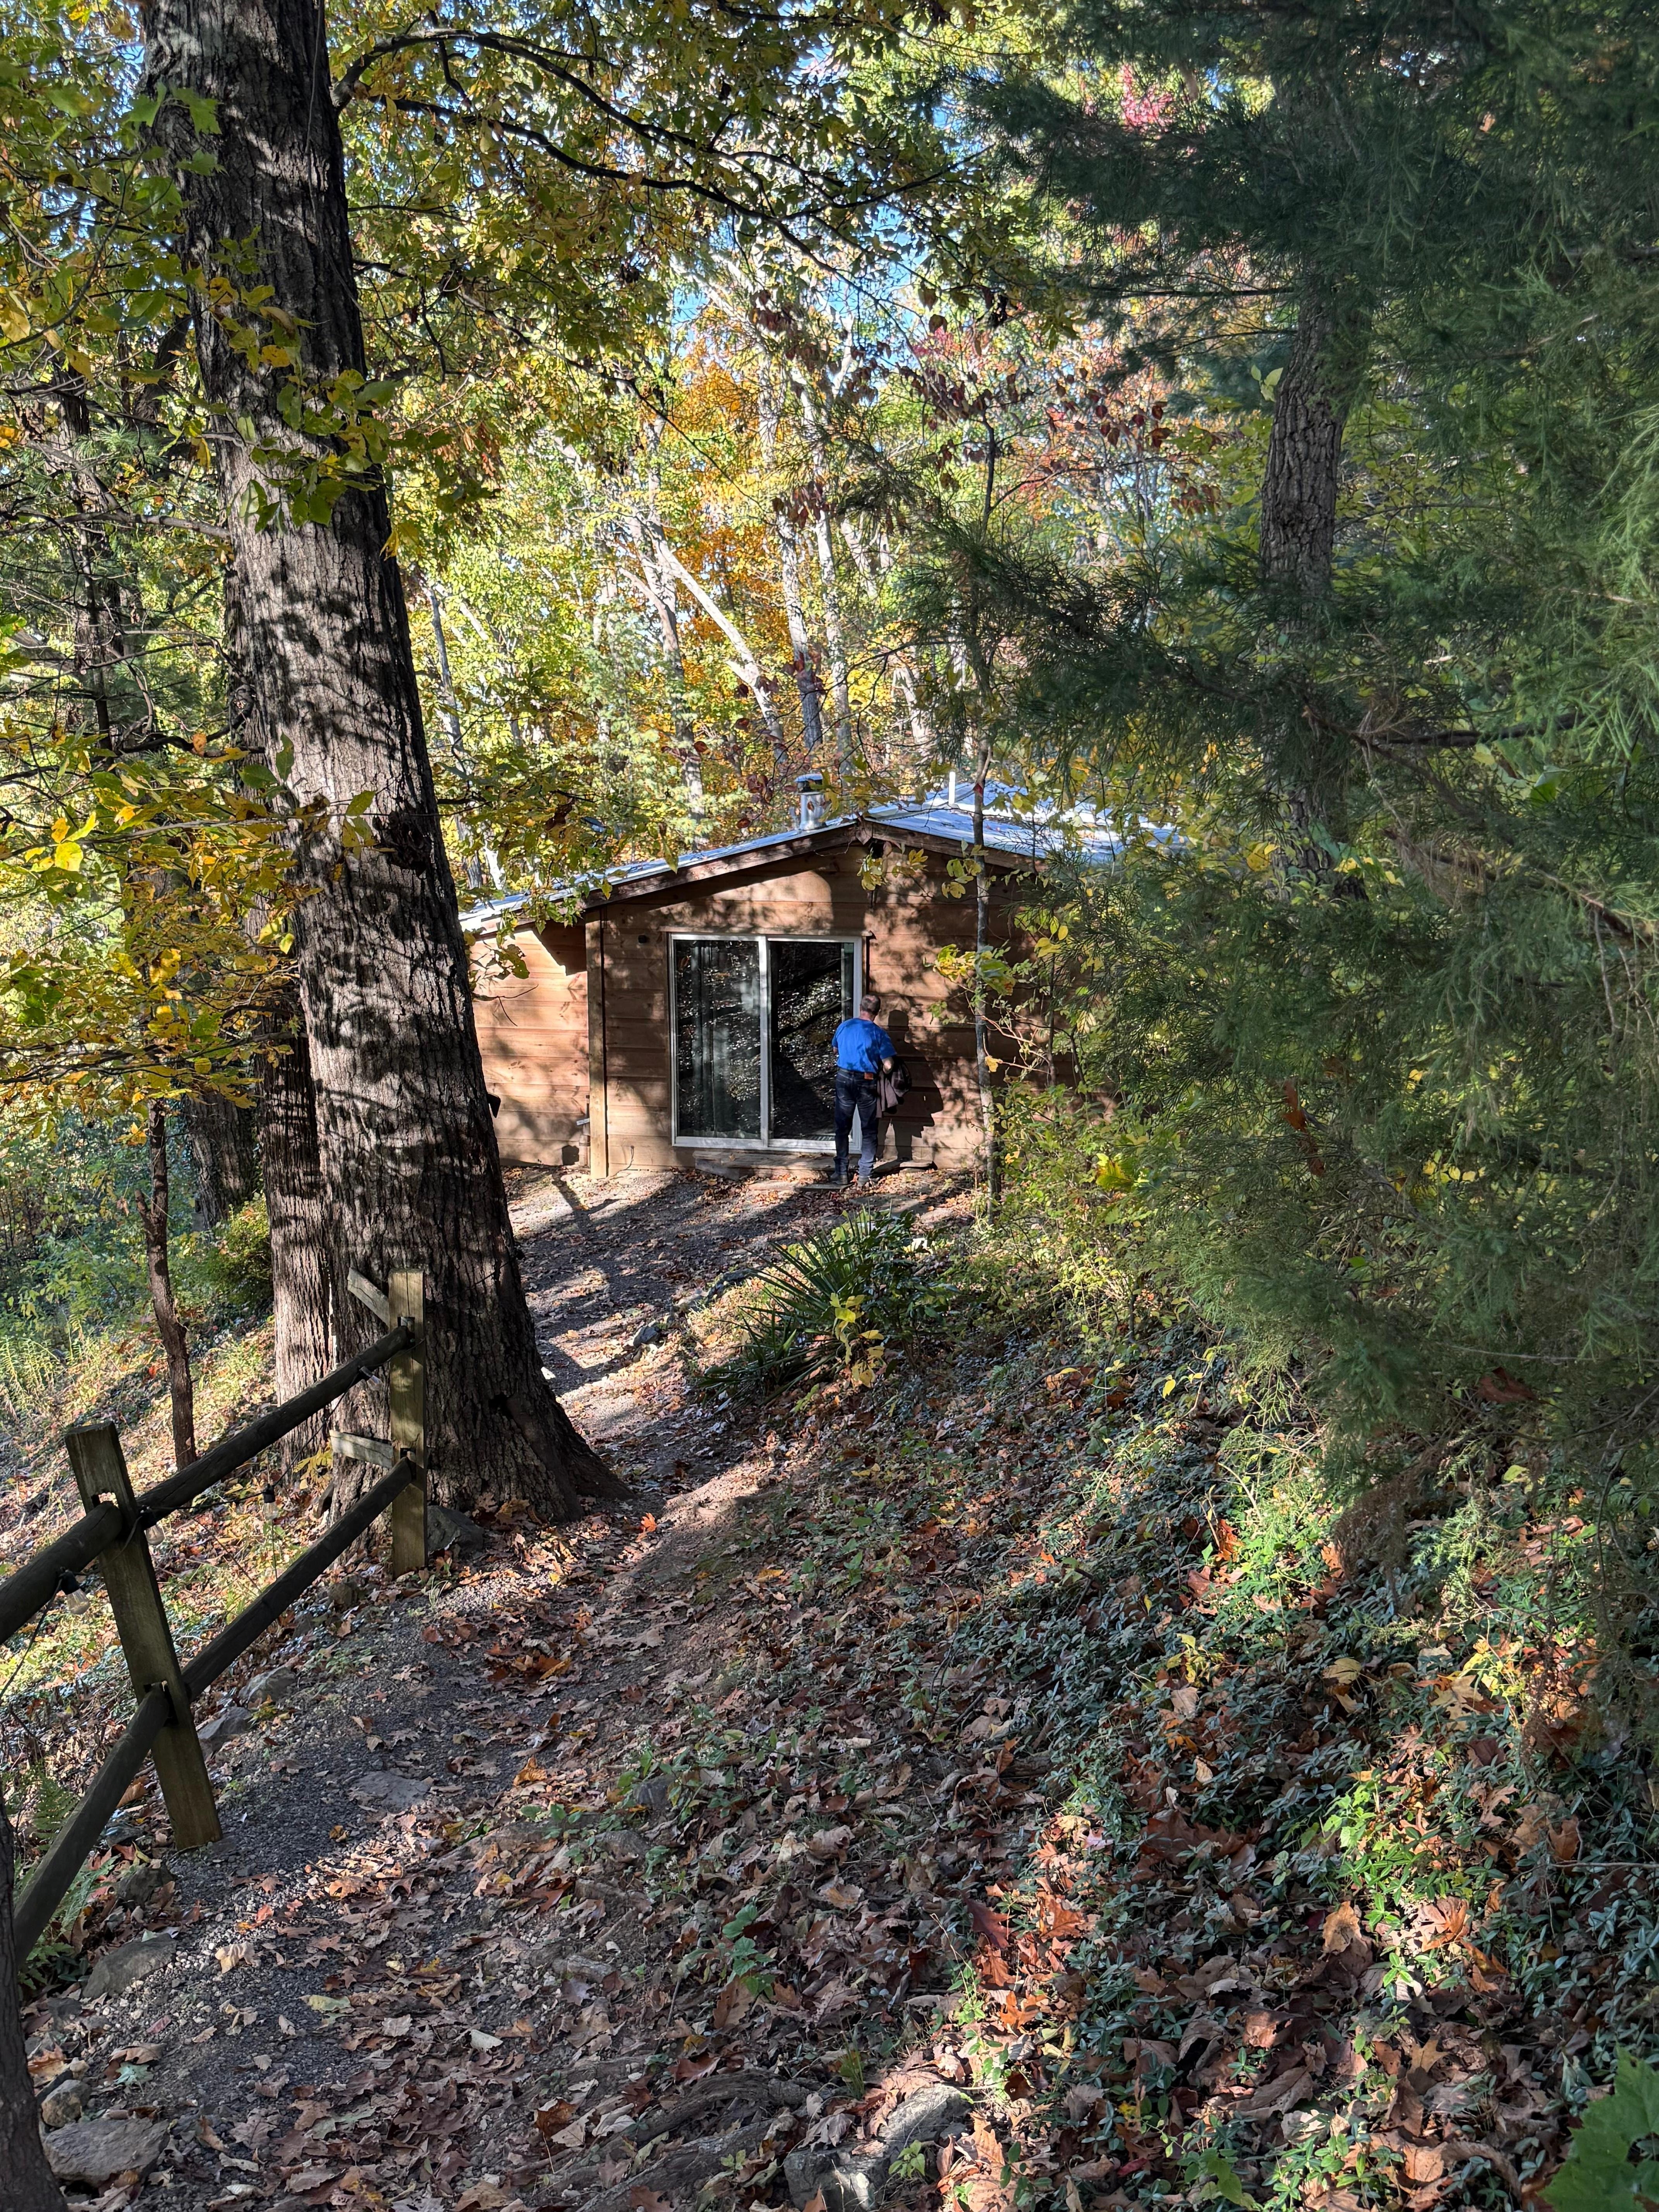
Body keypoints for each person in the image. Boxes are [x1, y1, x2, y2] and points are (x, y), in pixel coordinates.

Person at [831, 993, 895, 1188]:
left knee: (842, 1127)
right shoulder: (878, 1033)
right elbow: (889, 1065)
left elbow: (835, 1050)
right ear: (877, 1012)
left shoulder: (845, 1026)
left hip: (843, 1078)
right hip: (866, 1082)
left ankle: (842, 1173)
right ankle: (865, 1175)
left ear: (861, 1008)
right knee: (868, 1129)